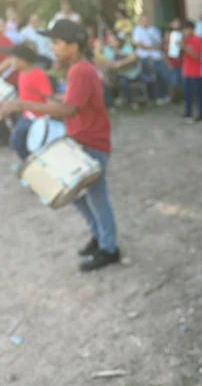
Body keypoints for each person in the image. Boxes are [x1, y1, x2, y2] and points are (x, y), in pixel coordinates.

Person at [0, 20, 120, 271]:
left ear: (73, 46)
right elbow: (70, 103)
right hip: (78, 138)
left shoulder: (80, 70)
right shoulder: (77, 68)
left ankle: (109, 248)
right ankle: (98, 236)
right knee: (76, 194)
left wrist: (22, 105)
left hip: (92, 141)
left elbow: (68, 109)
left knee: (97, 196)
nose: (52, 47)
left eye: (56, 43)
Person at [0, 44, 53, 160]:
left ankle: (29, 163)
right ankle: (29, 161)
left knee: (17, 141)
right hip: (25, 115)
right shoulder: (22, 74)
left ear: (23, 60)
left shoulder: (38, 74)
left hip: (36, 118)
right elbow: (24, 96)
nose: (10, 61)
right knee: (17, 142)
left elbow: (48, 98)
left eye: (12, 58)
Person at [132, 15, 170, 105]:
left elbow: (159, 43)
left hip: (157, 56)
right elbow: (139, 45)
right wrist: (152, 47)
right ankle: (156, 97)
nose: (145, 21)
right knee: (153, 77)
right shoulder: (137, 30)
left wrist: (153, 47)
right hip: (145, 57)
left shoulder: (154, 29)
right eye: (143, 20)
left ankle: (164, 95)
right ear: (140, 21)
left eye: (146, 19)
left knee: (163, 75)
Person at [100, 31, 141, 110]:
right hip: (116, 74)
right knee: (117, 82)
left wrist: (120, 63)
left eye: (112, 40)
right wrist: (120, 63)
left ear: (118, 41)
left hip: (132, 72)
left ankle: (129, 101)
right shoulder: (107, 50)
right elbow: (108, 63)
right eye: (109, 40)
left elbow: (133, 57)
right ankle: (123, 102)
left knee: (125, 81)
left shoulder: (126, 47)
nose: (110, 41)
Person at [180, 20, 202, 122]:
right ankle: (188, 113)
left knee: (198, 94)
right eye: (184, 30)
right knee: (187, 94)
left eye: (187, 29)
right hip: (186, 71)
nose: (185, 32)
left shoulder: (196, 40)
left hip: (196, 72)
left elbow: (196, 56)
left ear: (192, 30)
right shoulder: (184, 40)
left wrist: (185, 48)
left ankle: (201, 114)